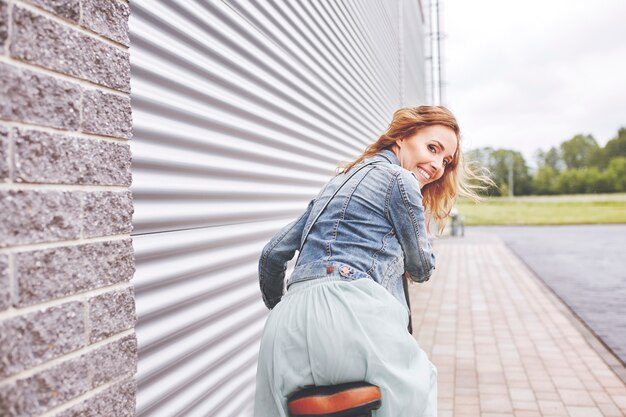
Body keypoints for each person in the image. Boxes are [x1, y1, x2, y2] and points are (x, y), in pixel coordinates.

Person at [254, 106, 488, 417]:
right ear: (402, 137)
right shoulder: (399, 180)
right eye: (432, 148)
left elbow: (272, 255)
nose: (436, 165)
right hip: (350, 314)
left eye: (446, 161)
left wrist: (293, 309)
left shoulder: (335, 185)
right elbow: (422, 268)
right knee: (420, 385)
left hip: (285, 327)